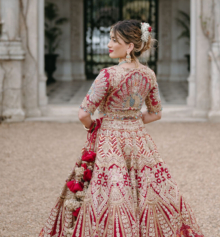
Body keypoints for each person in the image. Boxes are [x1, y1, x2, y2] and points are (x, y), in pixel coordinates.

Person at [39, 20, 204, 237]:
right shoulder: (149, 74)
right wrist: (132, 121)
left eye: (114, 40)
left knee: (110, 193)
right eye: (110, 39)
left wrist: (96, 126)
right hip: (140, 141)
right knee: (145, 189)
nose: (108, 44)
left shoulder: (108, 75)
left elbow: (83, 113)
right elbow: (156, 113)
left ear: (129, 47)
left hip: (110, 142)